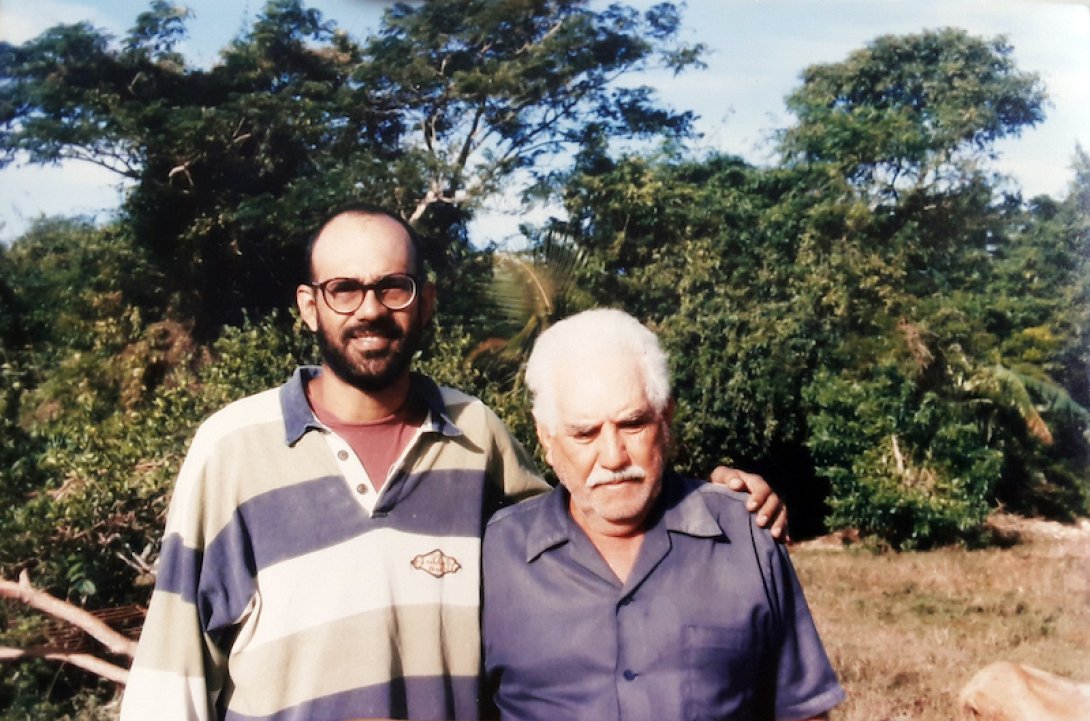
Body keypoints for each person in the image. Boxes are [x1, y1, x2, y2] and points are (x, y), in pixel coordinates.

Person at [119, 206, 785, 721]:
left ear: (426, 300)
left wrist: (708, 496)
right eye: (344, 288)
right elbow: (172, 674)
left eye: (394, 286)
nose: (371, 309)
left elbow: (591, 510)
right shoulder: (233, 446)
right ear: (308, 305)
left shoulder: (475, 436)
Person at [483, 308, 845, 721]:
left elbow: (802, 711)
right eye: (585, 433)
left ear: (666, 417)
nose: (614, 457)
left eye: (633, 424)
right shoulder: (494, 556)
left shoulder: (746, 535)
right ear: (546, 438)